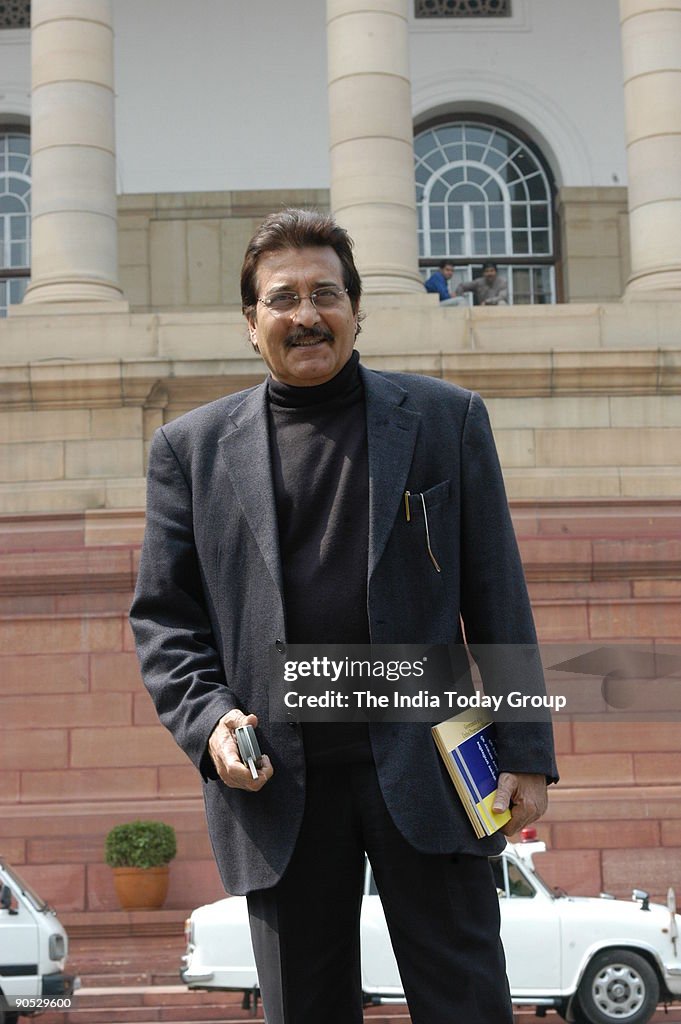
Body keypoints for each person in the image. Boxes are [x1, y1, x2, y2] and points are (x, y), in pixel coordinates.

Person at [130, 209, 557, 1024]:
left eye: (324, 293)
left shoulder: (445, 420)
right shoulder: (190, 450)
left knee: (468, 1003)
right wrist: (209, 722)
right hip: (278, 781)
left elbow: (497, 594)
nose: (306, 314)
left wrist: (526, 751)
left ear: (356, 309)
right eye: (282, 298)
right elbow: (165, 620)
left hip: (433, 765)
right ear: (250, 321)